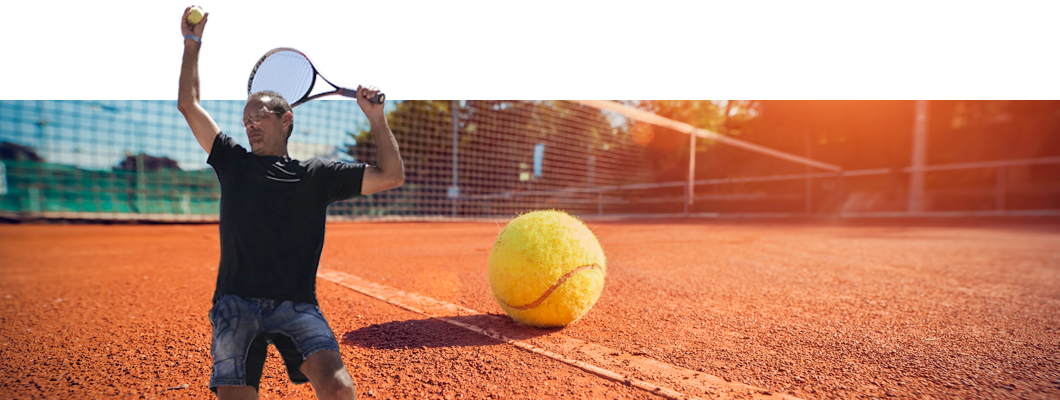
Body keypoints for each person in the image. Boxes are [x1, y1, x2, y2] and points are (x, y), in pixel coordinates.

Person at [177, 6, 404, 399]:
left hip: (296, 305)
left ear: (285, 121)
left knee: (340, 389)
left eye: (259, 116)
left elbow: (391, 176)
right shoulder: (231, 159)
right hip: (235, 303)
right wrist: (192, 42)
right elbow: (189, 104)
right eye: (246, 119)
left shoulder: (317, 175)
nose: (249, 124)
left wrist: (376, 118)